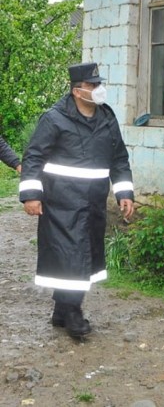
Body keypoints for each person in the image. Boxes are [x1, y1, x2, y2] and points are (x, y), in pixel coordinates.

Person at [19, 62, 134, 338]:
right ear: (76, 91)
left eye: (99, 84)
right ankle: (73, 313)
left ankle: (61, 311)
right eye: (92, 85)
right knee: (72, 257)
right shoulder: (54, 119)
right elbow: (33, 156)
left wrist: (124, 193)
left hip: (93, 203)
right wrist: (31, 195)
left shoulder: (107, 117)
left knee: (82, 255)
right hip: (61, 204)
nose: (98, 89)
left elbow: (119, 158)